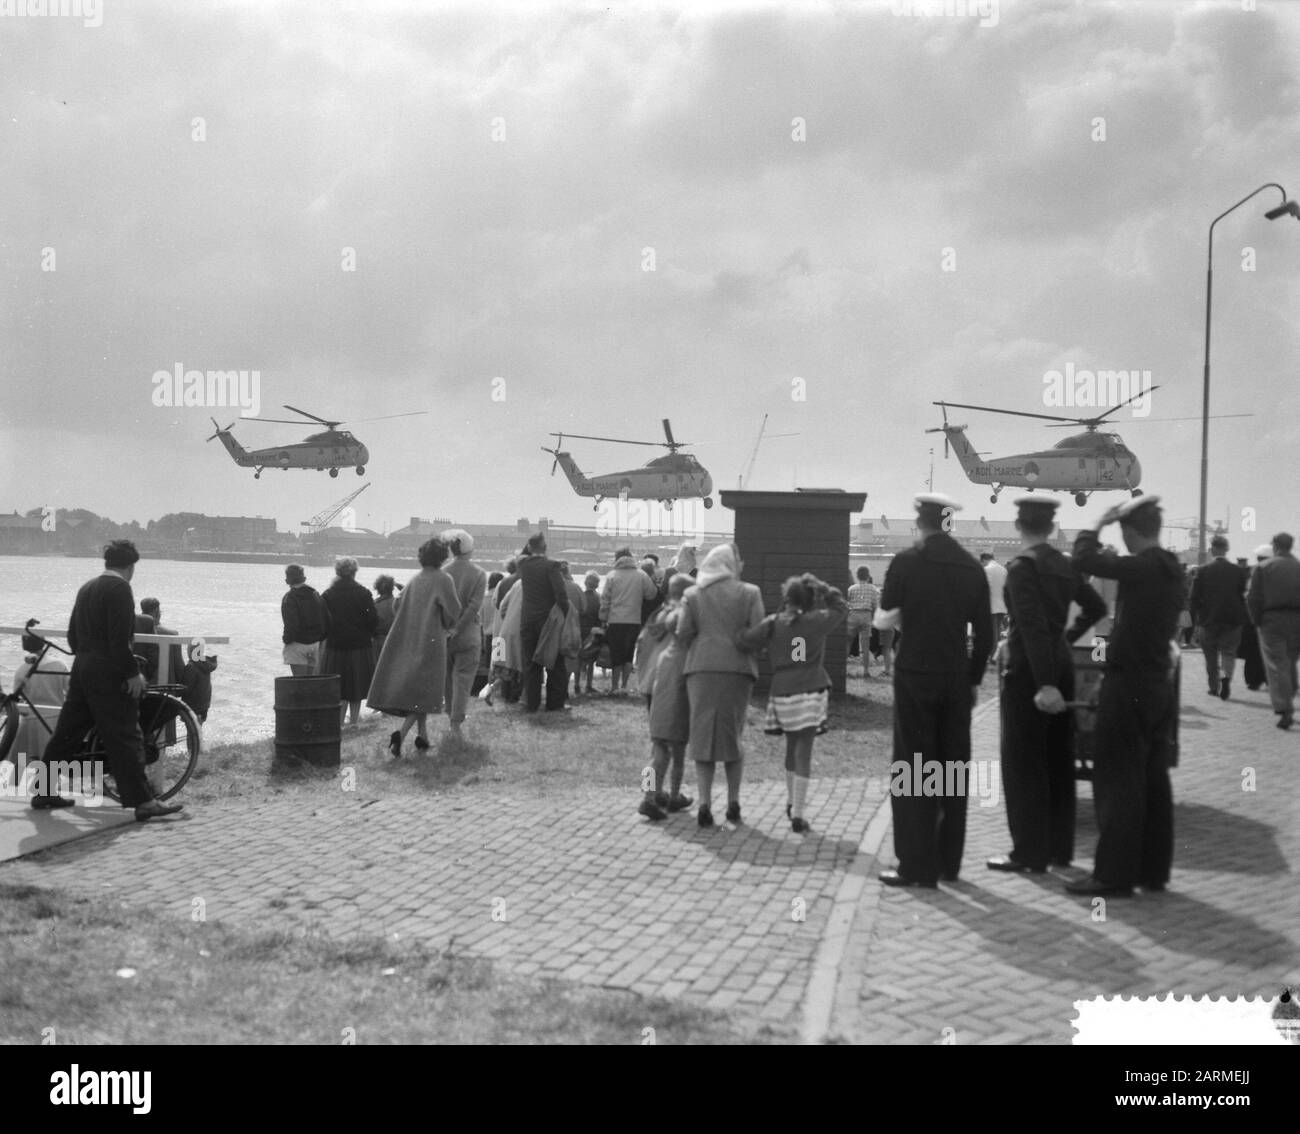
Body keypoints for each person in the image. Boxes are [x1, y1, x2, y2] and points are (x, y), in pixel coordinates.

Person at [873, 494, 992, 887]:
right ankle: (948, 863)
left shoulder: (907, 562)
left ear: (918, 523)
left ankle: (914, 864)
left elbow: (884, 619)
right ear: (949, 522)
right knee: (952, 768)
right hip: (956, 678)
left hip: (915, 675)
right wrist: (973, 680)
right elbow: (986, 634)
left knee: (913, 768)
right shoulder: (971, 566)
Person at [1068, 495, 1183, 897]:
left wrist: (1097, 523)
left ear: (1131, 532)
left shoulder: (1141, 567)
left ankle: (1114, 875)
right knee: (1153, 780)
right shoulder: (1172, 569)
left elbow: (1084, 559)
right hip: (1156, 685)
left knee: (1117, 780)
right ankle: (1152, 871)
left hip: (1130, 686)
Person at [988, 496, 1106, 876]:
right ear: (1052, 526)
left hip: (1029, 674)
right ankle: (1058, 850)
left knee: (1023, 764)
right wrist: (1065, 641)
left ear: (1019, 526)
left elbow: (1032, 626)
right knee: (1057, 760)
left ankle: (1028, 853)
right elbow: (1095, 609)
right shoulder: (1065, 565)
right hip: (1060, 664)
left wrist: (1044, 683)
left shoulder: (1022, 567)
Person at [27, 541, 182, 820]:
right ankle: (144, 802)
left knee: (67, 732)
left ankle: (43, 790)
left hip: (83, 667)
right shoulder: (121, 589)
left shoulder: (86, 588)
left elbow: (73, 635)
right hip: (108, 671)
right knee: (125, 733)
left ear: (107, 562)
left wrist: (88, 656)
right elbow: (120, 639)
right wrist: (132, 674)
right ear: (131, 566)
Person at [741, 573, 847, 834]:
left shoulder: (773, 623)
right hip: (810, 688)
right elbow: (841, 607)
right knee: (804, 751)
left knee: (791, 747)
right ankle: (798, 812)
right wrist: (823, 586)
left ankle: (790, 801)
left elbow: (745, 640)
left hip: (782, 691)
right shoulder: (816, 620)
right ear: (809, 599)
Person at [676, 542, 766, 828]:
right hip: (738, 670)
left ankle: (704, 803)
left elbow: (682, 633)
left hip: (701, 670)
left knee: (702, 737)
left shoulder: (692, 594)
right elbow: (759, 632)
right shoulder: (750, 593)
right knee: (732, 735)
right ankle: (733, 802)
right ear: (732, 564)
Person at [367, 538, 461, 755]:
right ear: (442, 557)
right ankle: (400, 734)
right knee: (425, 693)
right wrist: (445, 622)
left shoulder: (415, 579)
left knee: (419, 691)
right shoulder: (443, 579)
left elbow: (396, 604)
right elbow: (454, 611)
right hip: (432, 642)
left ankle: (423, 738)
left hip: (409, 639)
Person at [636, 573, 695, 820]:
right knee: (665, 750)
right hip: (668, 683)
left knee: (658, 746)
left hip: (650, 682)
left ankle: (654, 791)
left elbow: (640, 646)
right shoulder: (678, 619)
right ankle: (651, 796)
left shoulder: (655, 616)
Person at [1247, 531, 1300, 730]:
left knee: (1277, 663)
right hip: (1297, 619)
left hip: (1272, 620)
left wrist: (1256, 620)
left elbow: (1253, 598)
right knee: (1291, 660)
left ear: (1275, 546)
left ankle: (1284, 707)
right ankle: (1290, 692)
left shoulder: (1263, 567)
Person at [318, 556, 378, 728]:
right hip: (359, 645)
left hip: (335, 647)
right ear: (354, 572)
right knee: (356, 686)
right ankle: (353, 721)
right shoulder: (364, 593)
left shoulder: (328, 595)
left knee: (339, 686)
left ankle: (339, 722)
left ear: (337, 572)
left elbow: (323, 622)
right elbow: (373, 620)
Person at [1189, 534, 1249, 701]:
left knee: (1211, 655)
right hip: (1232, 619)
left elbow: (1193, 598)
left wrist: (1197, 617)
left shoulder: (1202, 571)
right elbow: (1242, 593)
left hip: (1208, 620)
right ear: (1227, 550)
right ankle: (1226, 677)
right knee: (1228, 653)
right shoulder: (1238, 571)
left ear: (1212, 549)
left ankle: (1214, 687)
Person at [516, 532, 570, 712]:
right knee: (554, 663)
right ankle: (554, 704)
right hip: (548, 621)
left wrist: (529, 547)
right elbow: (561, 595)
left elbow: (523, 553)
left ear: (530, 547)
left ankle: (532, 704)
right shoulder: (552, 566)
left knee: (531, 664)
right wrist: (564, 612)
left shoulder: (523, 564)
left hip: (528, 619)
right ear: (545, 548)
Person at [442, 529, 486, 734]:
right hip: (468, 634)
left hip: (444, 633)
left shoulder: (444, 571)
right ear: (470, 550)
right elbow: (474, 606)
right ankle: (456, 723)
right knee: (463, 678)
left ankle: (450, 712)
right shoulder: (479, 573)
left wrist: (448, 628)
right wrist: (459, 629)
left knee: (448, 679)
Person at [601, 546, 658, 695]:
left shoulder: (612, 575)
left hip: (615, 620)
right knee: (628, 654)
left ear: (616, 558)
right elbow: (651, 594)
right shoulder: (641, 575)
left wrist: (602, 618)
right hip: (634, 620)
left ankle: (614, 687)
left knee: (616, 654)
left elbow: (605, 599)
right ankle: (624, 686)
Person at [281, 564, 329, 677]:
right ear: (304, 578)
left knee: (300, 682)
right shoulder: (315, 594)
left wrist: (287, 640)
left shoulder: (290, 598)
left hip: (297, 644)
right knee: (309, 681)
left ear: (287, 580)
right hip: (314, 644)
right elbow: (326, 619)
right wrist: (319, 638)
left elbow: (291, 624)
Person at [1237, 547, 1270, 691]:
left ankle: (1253, 680)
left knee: (1253, 651)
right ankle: (1269, 679)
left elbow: (1249, 596)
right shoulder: (1277, 571)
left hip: (1254, 618)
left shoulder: (1254, 572)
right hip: (1271, 617)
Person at [846, 567, 878, 676]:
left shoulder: (851, 588)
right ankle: (866, 671)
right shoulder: (873, 589)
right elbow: (875, 606)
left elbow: (847, 602)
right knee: (865, 645)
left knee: (848, 642)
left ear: (857, 576)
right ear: (868, 575)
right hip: (866, 614)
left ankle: (844, 669)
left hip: (853, 614)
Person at [576, 571, 602, 695]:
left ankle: (576, 684)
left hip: (580, 629)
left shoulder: (580, 596)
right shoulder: (599, 598)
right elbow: (600, 616)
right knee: (591, 659)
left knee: (578, 657)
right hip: (593, 630)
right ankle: (588, 685)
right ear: (597, 585)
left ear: (585, 583)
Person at [980, 553, 1009, 648]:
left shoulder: (986, 570)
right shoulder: (1003, 570)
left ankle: (993, 655)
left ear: (983, 560)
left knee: (992, 632)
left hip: (991, 606)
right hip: (1002, 606)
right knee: (997, 630)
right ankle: (997, 653)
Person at [372, 575, 402, 652]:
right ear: (392, 588)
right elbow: (409, 595)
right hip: (395, 641)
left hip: (377, 643)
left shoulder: (373, 605)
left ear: (377, 588)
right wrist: (399, 586)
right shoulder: (398, 603)